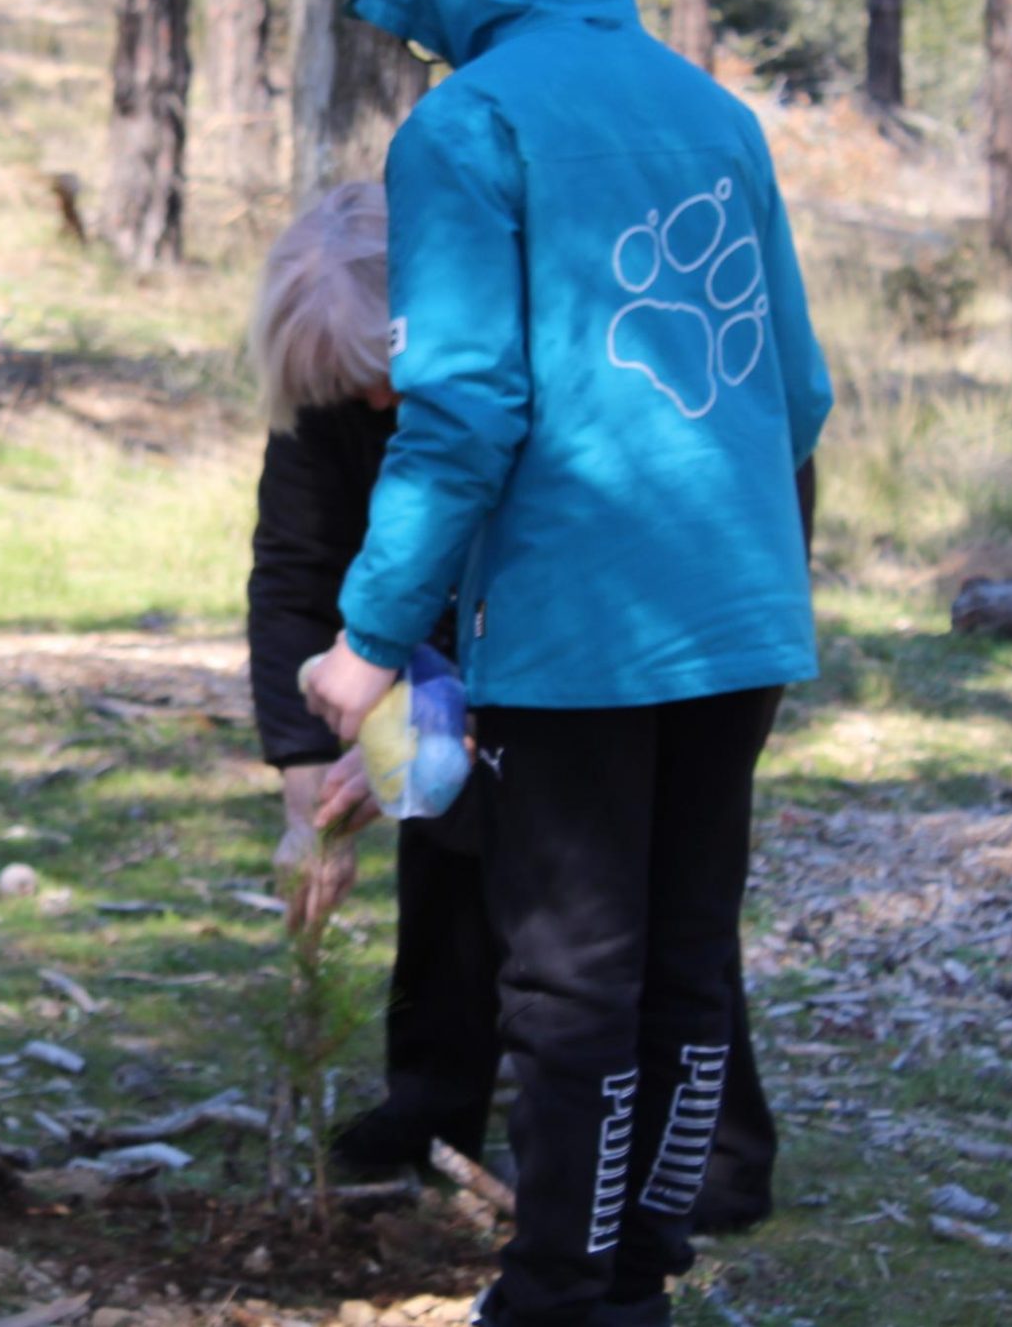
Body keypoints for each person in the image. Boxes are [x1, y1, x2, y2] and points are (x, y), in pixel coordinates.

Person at [298, 0, 831, 1327]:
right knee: (681, 954)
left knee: (570, 981)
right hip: (738, 610)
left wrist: (368, 634)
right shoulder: (714, 114)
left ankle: (557, 1292)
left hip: (580, 628)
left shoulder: (468, 127)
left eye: (420, 16)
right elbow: (796, 389)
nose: (422, 46)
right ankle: (640, 1267)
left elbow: (463, 408)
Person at [248, 182, 789, 1232]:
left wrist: (440, 716)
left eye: (383, 382)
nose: (367, 410)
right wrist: (301, 786)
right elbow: (294, 575)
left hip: (638, 626)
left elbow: (553, 565)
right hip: (459, 635)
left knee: (649, 880)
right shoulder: (330, 396)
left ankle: (714, 1149)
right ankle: (433, 1102)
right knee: (441, 833)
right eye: (339, 388)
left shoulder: (556, 375)